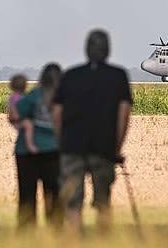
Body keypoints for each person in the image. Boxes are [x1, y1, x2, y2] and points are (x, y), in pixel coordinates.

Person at [53, 29, 132, 235]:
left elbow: (57, 114)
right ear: (108, 50)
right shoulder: (118, 76)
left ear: (86, 50)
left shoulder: (70, 76)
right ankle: (102, 242)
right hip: (103, 147)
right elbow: (123, 115)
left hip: (72, 147)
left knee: (72, 201)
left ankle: (74, 242)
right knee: (103, 200)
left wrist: (62, 143)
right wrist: (117, 147)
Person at [13, 63, 63, 229]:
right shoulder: (64, 98)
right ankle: (55, 230)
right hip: (54, 151)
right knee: (54, 194)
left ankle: (27, 232)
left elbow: (15, 113)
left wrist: (24, 123)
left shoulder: (35, 95)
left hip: (26, 152)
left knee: (27, 196)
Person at [7, 74, 37, 153]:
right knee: (29, 126)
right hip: (18, 118)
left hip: (14, 119)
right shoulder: (20, 97)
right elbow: (14, 108)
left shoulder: (12, 97)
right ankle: (30, 144)